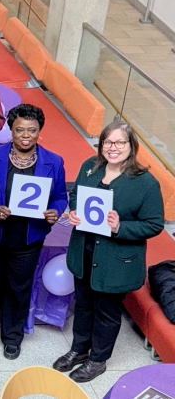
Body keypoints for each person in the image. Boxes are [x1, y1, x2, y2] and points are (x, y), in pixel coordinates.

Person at [53, 121, 163, 382]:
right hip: (84, 251)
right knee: (83, 304)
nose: (112, 148)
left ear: (131, 146)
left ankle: (97, 359)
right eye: (107, 142)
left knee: (106, 311)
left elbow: (154, 223)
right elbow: (75, 195)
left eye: (119, 142)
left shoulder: (145, 182)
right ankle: (79, 350)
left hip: (115, 258)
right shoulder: (90, 167)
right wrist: (76, 212)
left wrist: (119, 227)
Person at [0, 104, 68, 359]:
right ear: (11, 130)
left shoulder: (53, 161)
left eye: (32, 130)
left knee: (19, 288)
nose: (26, 135)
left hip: (29, 237)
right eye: (20, 129)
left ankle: (12, 336)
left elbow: (59, 197)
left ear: (39, 132)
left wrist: (54, 212)